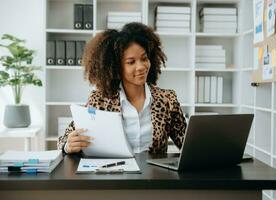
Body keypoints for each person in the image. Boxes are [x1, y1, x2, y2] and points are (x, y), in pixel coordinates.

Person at [57, 22, 186, 154]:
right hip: (114, 172)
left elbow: (186, 143)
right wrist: (69, 145)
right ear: (116, 67)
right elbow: (63, 140)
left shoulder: (167, 100)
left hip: (153, 174)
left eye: (144, 58)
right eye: (131, 62)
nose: (141, 66)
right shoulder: (99, 100)